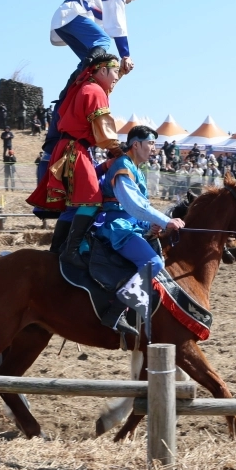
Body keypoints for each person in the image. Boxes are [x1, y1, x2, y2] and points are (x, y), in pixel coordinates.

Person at [39, 0, 144, 179]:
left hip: (67, 19)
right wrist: (125, 55)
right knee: (102, 43)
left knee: (91, 58)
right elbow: (119, 28)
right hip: (72, 15)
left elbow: (105, 66)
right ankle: (83, 75)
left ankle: (80, 77)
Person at [28, 52, 123, 268]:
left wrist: (123, 70)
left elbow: (109, 85)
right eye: (115, 71)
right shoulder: (94, 90)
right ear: (102, 70)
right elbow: (104, 130)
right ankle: (70, 252)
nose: (117, 76)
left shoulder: (85, 86)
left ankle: (57, 248)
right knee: (92, 199)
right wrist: (118, 151)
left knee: (74, 205)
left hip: (69, 147)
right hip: (76, 149)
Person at [92, 125, 185, 337]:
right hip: (117, 228)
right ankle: (115, 312)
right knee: (154, 263)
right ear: (136, 144)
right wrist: (165, 221)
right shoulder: (123, 166)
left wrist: (151, 225)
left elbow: (136, 212)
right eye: (151, 143)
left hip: (130, 225)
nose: (154, 148)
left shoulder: (136, 170)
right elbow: (134, 206)